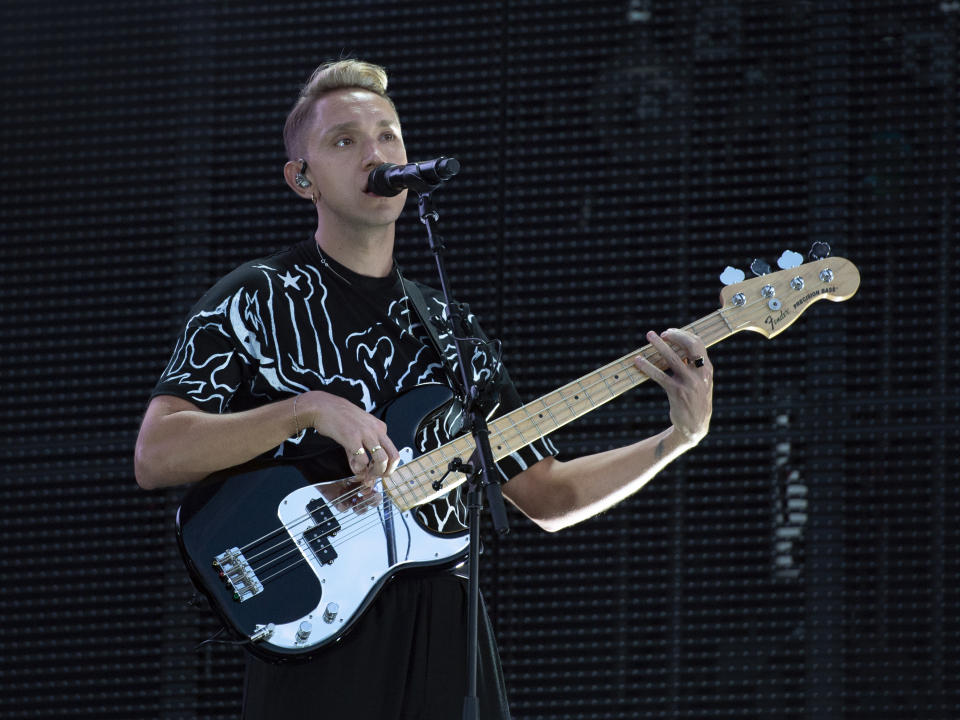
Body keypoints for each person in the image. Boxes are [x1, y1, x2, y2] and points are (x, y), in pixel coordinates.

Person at [134, 59, 714, 720]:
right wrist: (312, 408)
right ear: (303, 178)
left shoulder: (453, 331)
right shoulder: (258, 297)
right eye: (344, 141)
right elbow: (158, 454)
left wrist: (676, 439)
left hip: (446, 626)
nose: (376, 154)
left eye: (389, 136)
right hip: (313, 625)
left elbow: (546, 495)